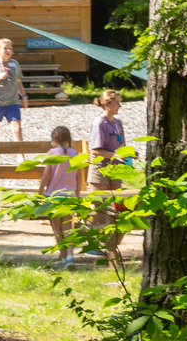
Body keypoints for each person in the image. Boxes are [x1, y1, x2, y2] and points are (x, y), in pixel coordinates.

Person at [89, 88, 129, 267]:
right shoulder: (99, 123)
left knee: (117, 211)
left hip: (117, 170)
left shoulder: (118, 122)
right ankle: (100, 248)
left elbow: (121, 145)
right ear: (107, 104)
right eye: (117, 102)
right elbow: (95, 150)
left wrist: (128, 154)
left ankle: (110, 248)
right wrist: (114, 155)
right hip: (100, 171)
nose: (120, 105)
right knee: (103, 211)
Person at [39, 124, 81, 267]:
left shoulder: (51, 153)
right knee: (68, 228)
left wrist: (39, 193)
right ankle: (70, 257)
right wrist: (77, 195)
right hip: (69, 196)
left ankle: (63, 259)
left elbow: (46, 176)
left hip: (53, 196)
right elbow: (79, 178)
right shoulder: (75, 154)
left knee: (57, 230)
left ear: (54, 140)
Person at [0, 37, 27, 143]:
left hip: (13, 102)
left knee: (17, 129)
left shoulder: (15, 64)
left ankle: (20, 156)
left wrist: (24, 96)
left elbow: (19, 81)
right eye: (5, 48)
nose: (8, 51)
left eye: (10, 48)